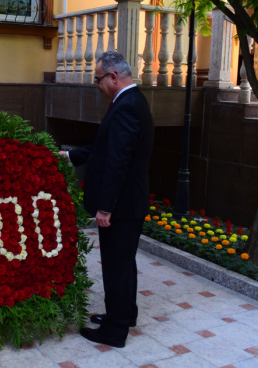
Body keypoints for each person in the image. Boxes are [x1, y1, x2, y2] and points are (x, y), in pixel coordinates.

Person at [59, 51, 154, 348]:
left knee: (117, 266)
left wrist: (105, 207)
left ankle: (114, 331)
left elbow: (118, 161)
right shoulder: (130, 101)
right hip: (128, 203)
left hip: (122, 206)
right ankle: (124, 315)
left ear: (113, 77)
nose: (97, 85)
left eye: (98, 79)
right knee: (123, 263)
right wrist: (70, 156)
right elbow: (105, 147)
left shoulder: (126, 106)